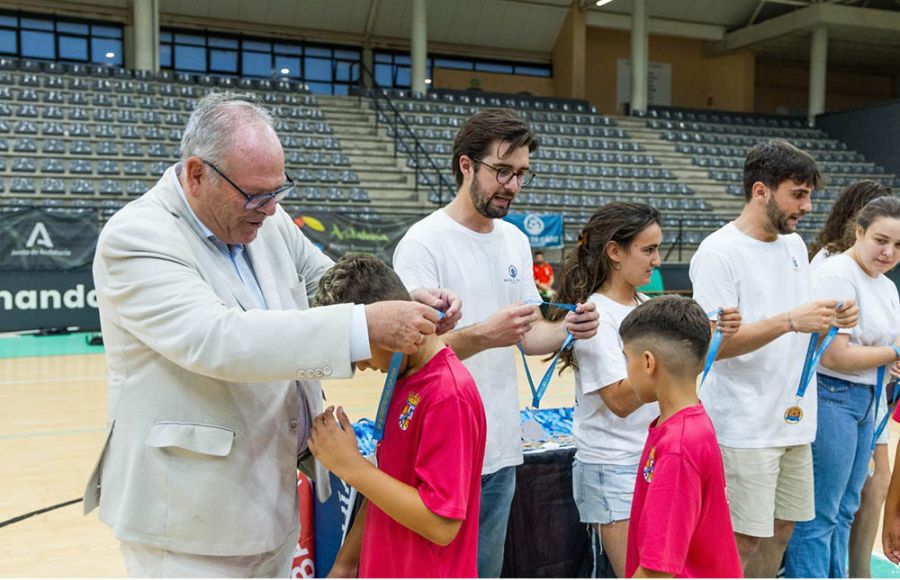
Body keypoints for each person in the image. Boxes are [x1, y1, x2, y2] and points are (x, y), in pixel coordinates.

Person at [82, 92, 461, 577]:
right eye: (256, 196)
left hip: (269, 502)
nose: (270, 209)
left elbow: (326, 282)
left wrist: (406, 302)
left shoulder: (267, 219)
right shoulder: (137, 237)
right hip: (186, 526)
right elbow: (217, 338)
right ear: (197, 174)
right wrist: (367, 325)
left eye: (278, 192)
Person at [392, 108, 600, 577]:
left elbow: (528, 339)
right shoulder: (423, 244)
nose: (512, 185)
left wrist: (569, 329)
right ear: (466, 166)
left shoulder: (513, 241)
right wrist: (486, 335)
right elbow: (407, 358)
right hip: (438, 452)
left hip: (499, 446)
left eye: (521, 174)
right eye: (502, 171)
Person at [689, 140, 859, 577]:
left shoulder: (794, 246)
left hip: (794, 418)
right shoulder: (717, 252)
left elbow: (799, 322)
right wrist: (789, 320)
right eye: (797, 194)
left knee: (782, 530)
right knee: (739, 539)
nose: (806, 205)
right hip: (743, 423)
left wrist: (830, 318)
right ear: (761, 190)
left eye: (809, 195)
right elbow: (714, 346)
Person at [550, 201, 741, 577]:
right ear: (615, 252)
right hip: (615, 464)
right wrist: (673, 363)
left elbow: (678, 371)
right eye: (649, 249)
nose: (657, 259)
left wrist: (706, 340)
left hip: (656, 456)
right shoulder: (594, 314)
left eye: (658, 249)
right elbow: (619, 401)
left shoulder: (644, 305)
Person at [307, 254, 486, 578]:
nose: (358, 364)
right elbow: (389, 486)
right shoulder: (402, 376)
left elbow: (441, 524)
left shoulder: (448, 393)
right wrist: (346, 565)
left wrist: (350, 466)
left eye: (358, 346)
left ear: (391, 322)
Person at [785, 195, 900, 577]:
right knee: (820, 513)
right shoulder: (837, 273)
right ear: (859, 231)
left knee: (846, 508)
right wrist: (893, 353)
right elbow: (834, 356)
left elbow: (881, 352)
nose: (888, 252)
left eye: (899, 245)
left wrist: (891, 358)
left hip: (866, 400)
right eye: (881, 240)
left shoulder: (885, 286)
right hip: (832, 395)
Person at [619, 295, 744, 578]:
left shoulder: (678, 446)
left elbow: (656, 572)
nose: (626, 367)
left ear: (648, 363)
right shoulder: (690, 422)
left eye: (627, 358)